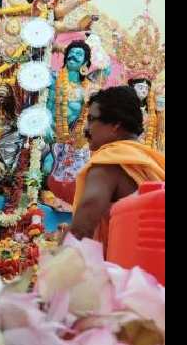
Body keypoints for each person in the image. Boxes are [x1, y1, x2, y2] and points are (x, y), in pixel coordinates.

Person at [69, 86, 165, 251]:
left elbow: (87, 213)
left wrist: (60, 261)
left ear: (115, 125)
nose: (86, 129)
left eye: (92, 119)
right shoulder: (149, 159)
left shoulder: (109, 160)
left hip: (125, 270)